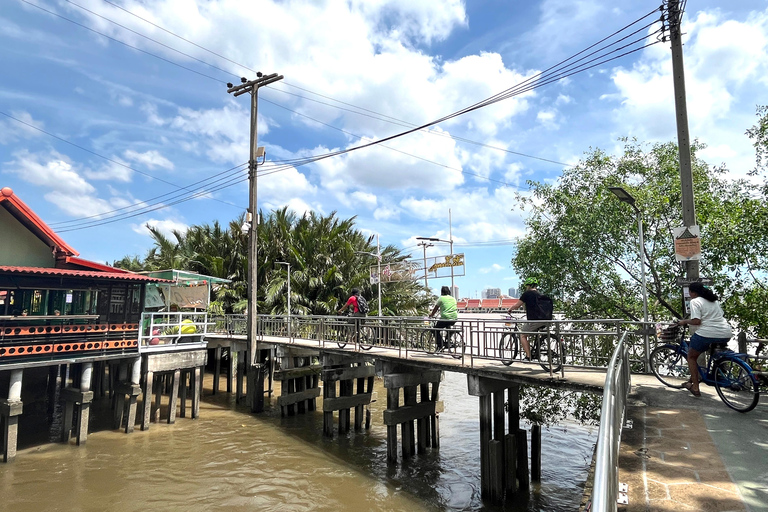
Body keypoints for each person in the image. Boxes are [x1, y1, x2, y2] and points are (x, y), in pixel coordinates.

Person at [676, 282, 732, 397]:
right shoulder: (714, 301)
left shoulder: (695, 301)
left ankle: (695, 388)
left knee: (691, 356)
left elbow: (697, 321)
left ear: (693, 292)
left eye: (690, 292)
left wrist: (684, 322)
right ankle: (692, 381)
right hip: (726, 332)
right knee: (709, 354)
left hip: (708, 333)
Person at [507, 277, 548, 361]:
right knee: (533, 333)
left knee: (523, 335)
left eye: (527, 286)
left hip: (535, 320)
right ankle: (537, 351)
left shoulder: (527, 294)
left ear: (529, 286)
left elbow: (517, 305)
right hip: (546, 319)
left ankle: (528, 356)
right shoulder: (540, 294)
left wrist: (510, 309)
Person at [429, 286, 458, 351]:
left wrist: (431, 315)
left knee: (435, 330)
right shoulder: (453, 298)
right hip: (454, 318)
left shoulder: (441, 298)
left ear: (441, 292)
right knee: (447, 327)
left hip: (445, 318)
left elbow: (436, 308)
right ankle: (448, 340)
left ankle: (440, 344)